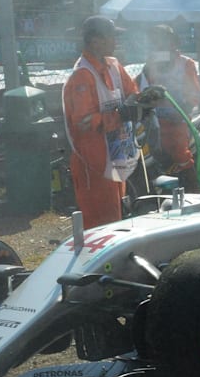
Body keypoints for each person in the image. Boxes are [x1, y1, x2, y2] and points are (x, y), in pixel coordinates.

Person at [62, 16, 160, 228]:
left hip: (116, 158)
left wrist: (145, 101)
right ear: (96, 41)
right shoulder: (82, 76)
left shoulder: (114, 65)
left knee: (116, 218)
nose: (116, 42)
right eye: (112, 37)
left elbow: (132, 94)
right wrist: (121, 115)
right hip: (93, 165)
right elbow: (84, 122)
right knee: (101, 226)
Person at [135, 24, 200, 188]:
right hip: (153, 120)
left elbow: (194, 95)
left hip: (178, 120)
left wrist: (182, 110)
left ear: (172, 44)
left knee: (180, 152)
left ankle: (196, 189)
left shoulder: (186, 64)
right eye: (155, 43)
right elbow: (138, 88)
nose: (158, 47)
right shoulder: (149, 65)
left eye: (162, 43)